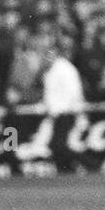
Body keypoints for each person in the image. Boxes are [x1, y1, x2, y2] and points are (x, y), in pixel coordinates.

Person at [41, 42, 88, 172]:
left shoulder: (65, 68)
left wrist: (73, 110)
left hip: (66, 112)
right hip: (57, 113)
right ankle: (66, 170)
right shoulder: (52, 70)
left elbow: (74, 92)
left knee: (59, 145)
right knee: (57, 145)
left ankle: (90, 163)